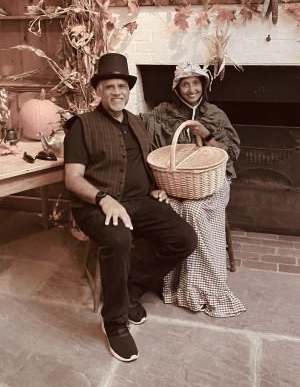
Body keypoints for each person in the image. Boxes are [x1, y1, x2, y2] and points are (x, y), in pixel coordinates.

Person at [64, 53, 197, 363]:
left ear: (128, 89)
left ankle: (128, 290)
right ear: (98, 91)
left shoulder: (137, 121)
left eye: (122, 86)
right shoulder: (81, 125)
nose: (117, 93)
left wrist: (155, 188)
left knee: (185, 238)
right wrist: (102, 198)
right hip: (95, 206)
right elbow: (72, 179)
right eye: (109, 86)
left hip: (139, 202)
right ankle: (115, 323)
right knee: (118, 239)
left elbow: (139, 163)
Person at [141, 62, 246, 318]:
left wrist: (206, 134)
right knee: (175, 206)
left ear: (204, 85)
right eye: (185, 84)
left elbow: (230, 155)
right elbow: (142, 134)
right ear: (177, 88)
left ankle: (203, 285)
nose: (191, 89)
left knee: (195, 210)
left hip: (213, 183)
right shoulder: (163, 114)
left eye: (196, 83)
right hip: (177, 184)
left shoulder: (215, 114)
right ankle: (177, 286)